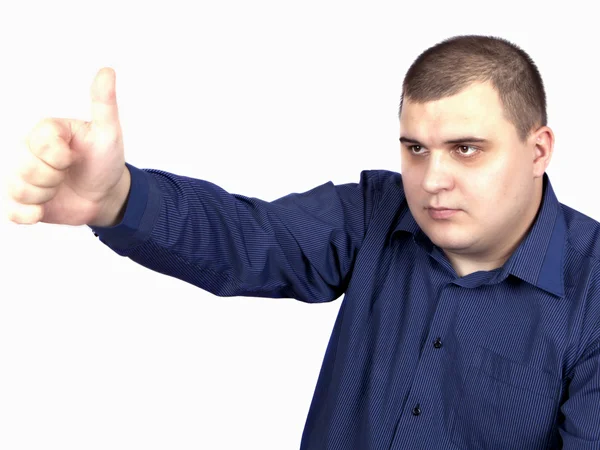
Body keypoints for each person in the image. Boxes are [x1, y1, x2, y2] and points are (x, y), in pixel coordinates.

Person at [5, 34, 599, 449]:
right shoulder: (375, 213)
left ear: (538, 150)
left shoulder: (592, 288)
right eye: (415, 148)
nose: (432, 180)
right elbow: (248, 237)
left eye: (466, 149)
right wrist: (116, 198)